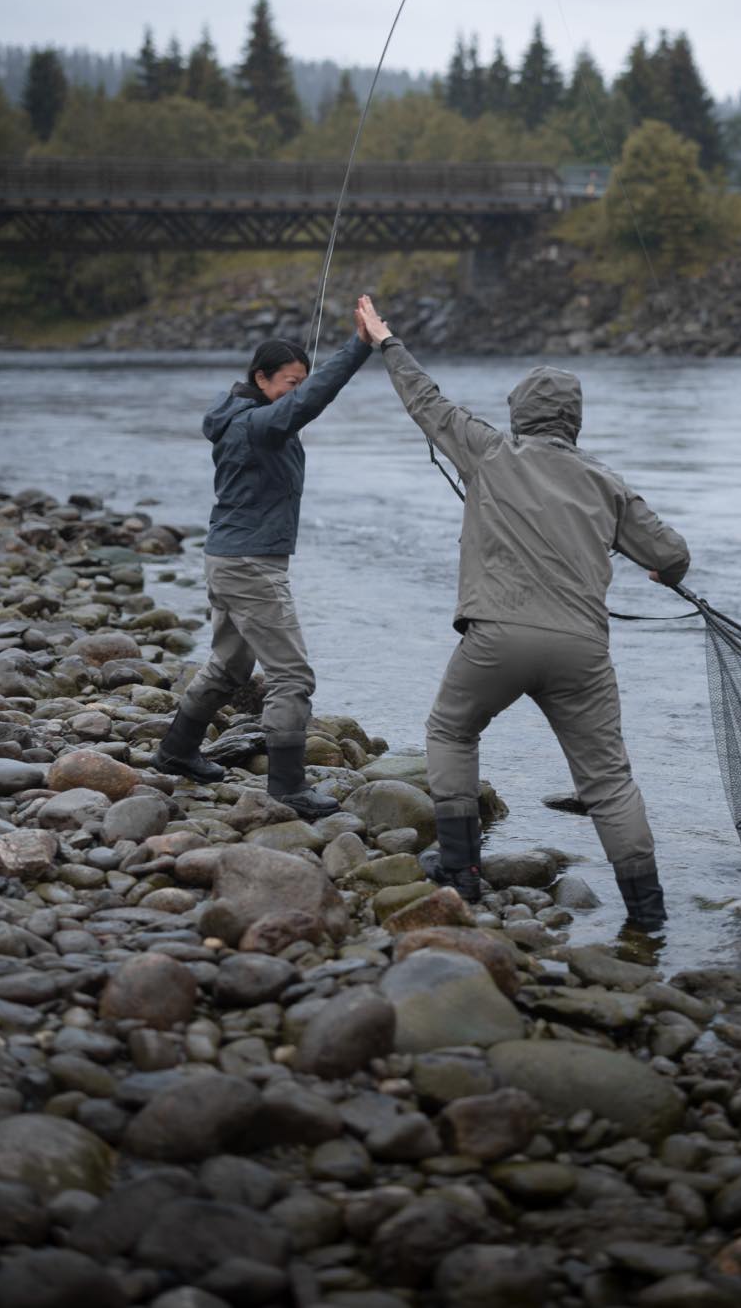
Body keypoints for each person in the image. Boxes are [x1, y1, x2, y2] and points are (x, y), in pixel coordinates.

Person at [354, 293, 690, 929]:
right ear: (574, 423)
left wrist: (386, 341)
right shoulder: (607, 482)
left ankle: (462, 871)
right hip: (582, 654)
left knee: (452, 731)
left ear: (519, 417)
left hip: (497, 643)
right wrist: (660, 568)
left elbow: (427, 402)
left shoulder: (489, 451)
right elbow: (673, 554)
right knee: (609, 784)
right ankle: (649, 917)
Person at [153, 318, 372, 817]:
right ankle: (288, 786)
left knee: (230, 666)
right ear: (261, 379)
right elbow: (314, 398)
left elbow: (303, 402)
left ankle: (175, 751)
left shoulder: (244, 417)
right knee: (291, 675)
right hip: (250, 564)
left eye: (298, 381)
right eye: (290, 383)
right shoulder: (257, 424)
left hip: (229, 558)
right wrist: (360, 345)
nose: (296, 392)